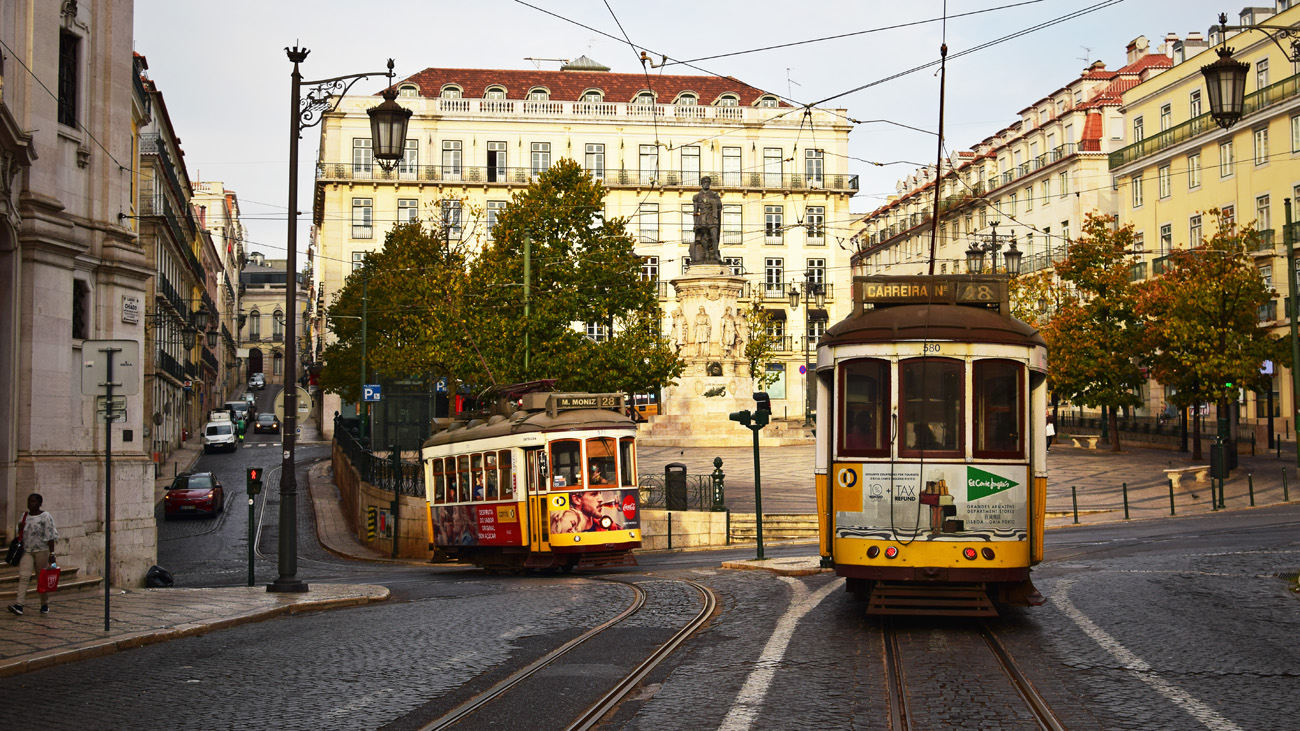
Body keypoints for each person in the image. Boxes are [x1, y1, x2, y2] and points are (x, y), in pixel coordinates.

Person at [8, 493, 57, 616]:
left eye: (34, 501)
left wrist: (52, 553)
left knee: (41, 579)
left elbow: (50, 536)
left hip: (42, 551)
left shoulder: (45, 516)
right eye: (29, 501)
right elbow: (19, 534)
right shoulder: (24, 516)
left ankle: (44, 604)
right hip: (27, 551)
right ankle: (19, 605)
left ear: (40, 503)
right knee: (24, 576)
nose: (31, 504)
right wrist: (19, 529)